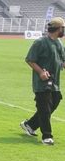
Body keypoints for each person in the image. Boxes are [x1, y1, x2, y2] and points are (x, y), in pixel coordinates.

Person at [20, 17, 65, 145]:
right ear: (58, 28)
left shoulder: (59, 43)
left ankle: (29, 125)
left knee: (54, 103)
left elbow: (62, 61)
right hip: (42, 83)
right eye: (63, 28)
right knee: (44, 108)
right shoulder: (40, 42)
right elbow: (30, 59)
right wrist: (40, 72)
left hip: (55, 83)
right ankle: (47, 136)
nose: (64, 31)